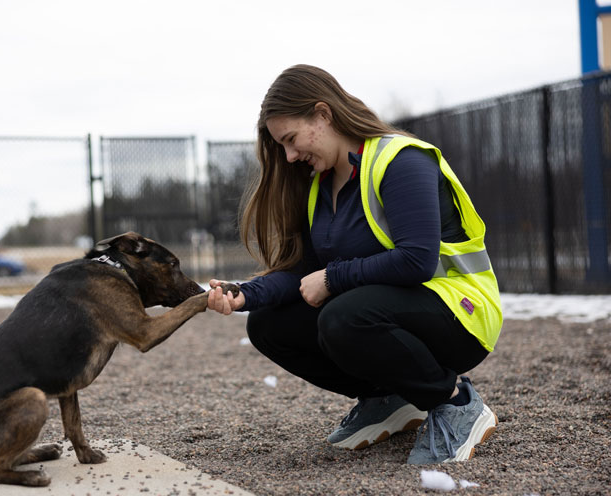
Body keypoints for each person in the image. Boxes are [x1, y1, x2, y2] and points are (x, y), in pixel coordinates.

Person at [206, 64, 503, 464]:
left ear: (323, 114)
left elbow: (417, 260)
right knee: (268, 325)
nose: (291, 156)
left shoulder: (401, 160)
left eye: (291, 140)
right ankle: (389, 398)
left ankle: (456, 402)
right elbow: (301, 272)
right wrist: (245, 294)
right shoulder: (320, 186)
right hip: (396, 312)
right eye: (283, 147)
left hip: (461, 315)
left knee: (344, 316)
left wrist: (332, 277)